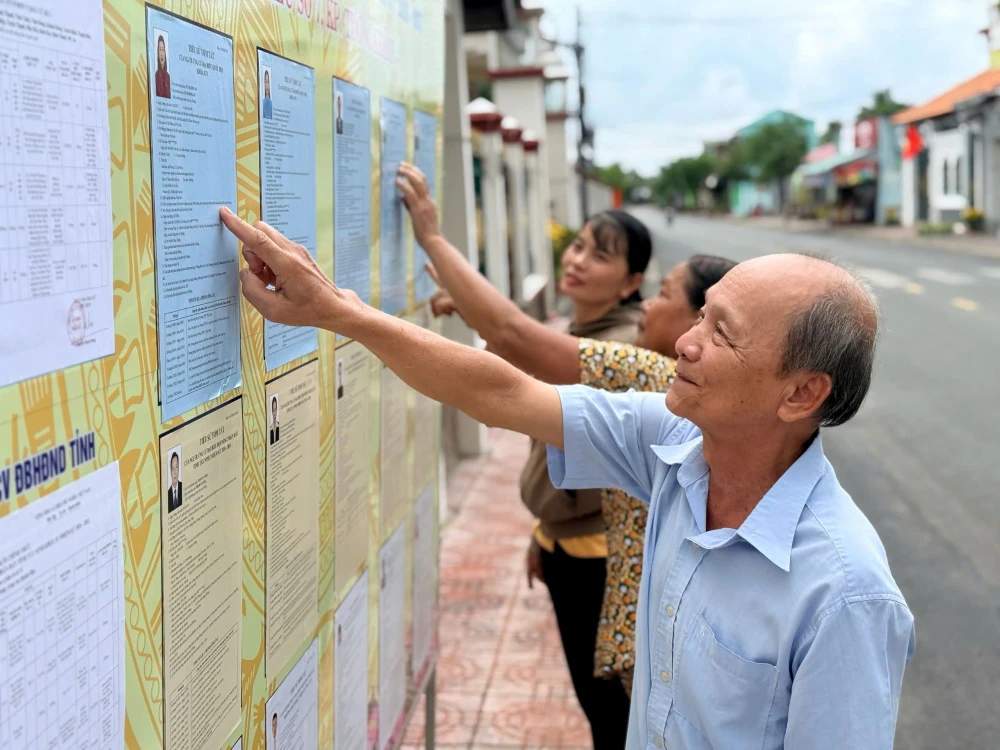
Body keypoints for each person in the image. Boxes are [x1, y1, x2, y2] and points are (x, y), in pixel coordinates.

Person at [219, 205, 915, 749]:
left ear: (801, 394)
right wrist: (337, 313)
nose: (685, 342)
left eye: (723, 334)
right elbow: (501, 390)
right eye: (700, 314)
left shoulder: (844, 596)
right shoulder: (675, 442)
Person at [396, 163, 735, 698]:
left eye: (662, 293)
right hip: (589, 568)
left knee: (612, 715)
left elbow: (513, 343)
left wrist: (429, 243)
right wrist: (548, 532)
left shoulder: (646, 365)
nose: (649, 303)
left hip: (606, 579)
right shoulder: (625, 351)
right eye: (577, 246)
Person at [155, 35, 170, 99]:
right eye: (160, 49)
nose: (161, 53)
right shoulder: (157, 75)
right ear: (157, 53)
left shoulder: (167, 76)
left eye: (163, 50)